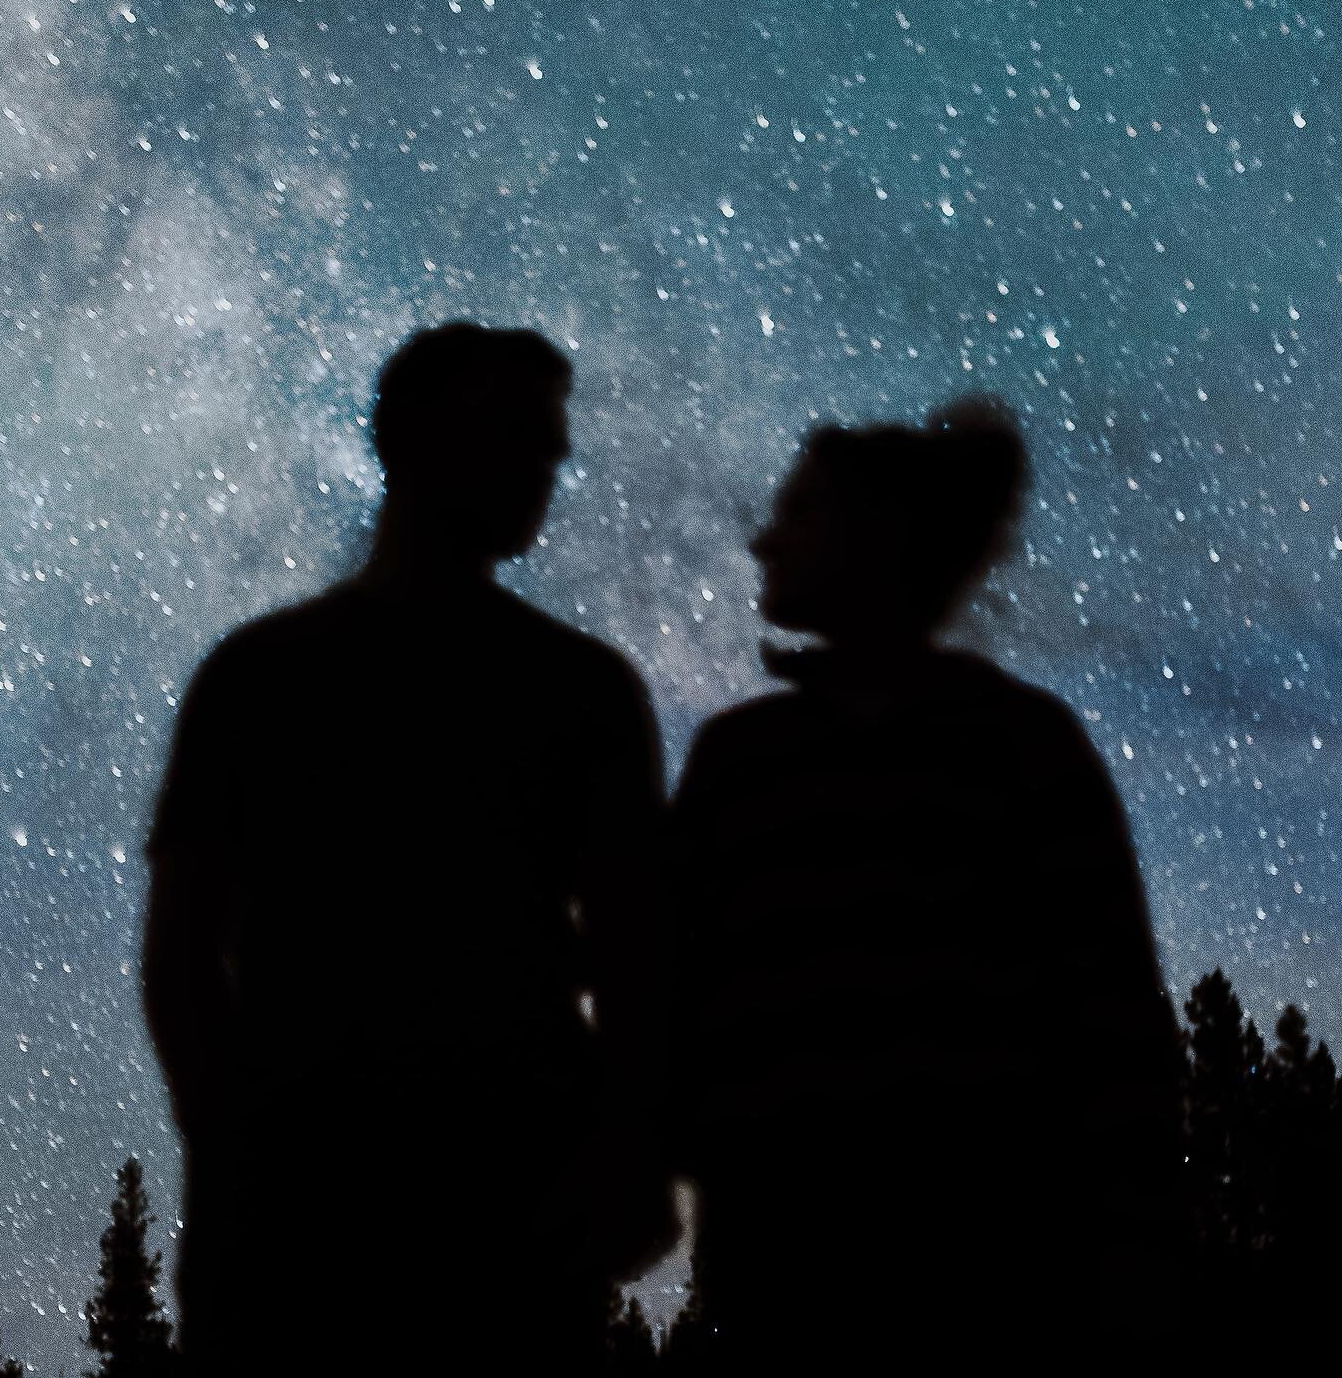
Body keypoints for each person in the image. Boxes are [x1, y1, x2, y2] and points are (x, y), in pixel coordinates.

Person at [143, 323, 675, 1373]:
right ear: (406, 439)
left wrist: (630, 1151)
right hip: (318, 1203)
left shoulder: (581, 690)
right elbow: (181, 955)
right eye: (513, 433)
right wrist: (234, 1151)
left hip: (503, 1203)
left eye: (551, 444)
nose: (544, 468)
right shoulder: (260, 678)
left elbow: (638, 956)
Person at [670, 401, 1183, 1366]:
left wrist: (1138, 1255)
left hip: (988, 1278)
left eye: (802, 511)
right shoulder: (739, 760)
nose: (763, 536)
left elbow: (1115, 1029)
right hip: (782, 1267)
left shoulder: (1022, 750)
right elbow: (678, 994)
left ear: (875, 541)